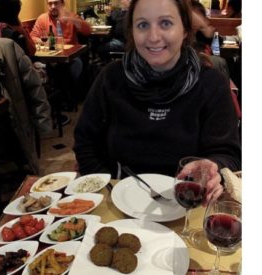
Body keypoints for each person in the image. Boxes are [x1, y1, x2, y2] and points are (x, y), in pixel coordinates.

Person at [73, 0, 239, 204]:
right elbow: (85, 141)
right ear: (132, 31)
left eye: (166, 23)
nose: (153, 37)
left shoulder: (211, 83)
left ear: (185, 30)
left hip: (191, 204)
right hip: (118, 200)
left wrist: (213, 168)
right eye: (142, 25)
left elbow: (228, 154)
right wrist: (108, 188)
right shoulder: (111, 78)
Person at [30, 0, 92, 110]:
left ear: (62, 4)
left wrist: (71, 20)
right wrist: (44, 42)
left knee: (75, 65)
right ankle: (58, 100)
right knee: (45, 68)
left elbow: (87, 31)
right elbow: (33, 37)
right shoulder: (42, 18)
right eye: (50, 4)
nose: (53, 6)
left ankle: (69, 98)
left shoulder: (71, 16)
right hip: (51, 56)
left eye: (56, 3)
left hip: (70, 56)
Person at [188, 1, 229, 78]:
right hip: (188, 60)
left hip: (200, 61)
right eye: (196, 15)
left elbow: (219, 41)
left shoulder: (201, 33)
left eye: (201, 15)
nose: (199, 18)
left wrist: (207, 30)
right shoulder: (183, 30)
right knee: (219, 62)